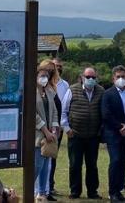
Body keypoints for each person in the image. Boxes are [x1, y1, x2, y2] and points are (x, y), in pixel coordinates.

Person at [61, 66, 105, 200]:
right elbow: (63, 111)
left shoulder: (101, 91)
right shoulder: (72, 90)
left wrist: (101, 131)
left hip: (93, 136)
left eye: (93, 77)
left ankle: (93, 192)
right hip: (76, 135)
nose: (91, 79)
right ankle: (75, 191)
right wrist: (67, 129)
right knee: (75, 164)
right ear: (82, 78)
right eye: (88, 77)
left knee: (92, 165)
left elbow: (104, 113)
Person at [102, 65, 125, 203]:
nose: (121, 79)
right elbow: (106, 114)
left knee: (123, 163)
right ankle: (112, 194)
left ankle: (119, 192)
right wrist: (119, 127)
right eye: (118, 77)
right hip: (113, 134)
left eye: (123, 76)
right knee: (116, 161)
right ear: (113, 78)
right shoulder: (108, 94)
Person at [38, 59, 64, 199]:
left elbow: (54, 110)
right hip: (39, 133)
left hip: (52, 132)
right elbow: (33, 112)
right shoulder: (34, 89)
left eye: (51, 72)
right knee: (38, 165)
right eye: (46, 71)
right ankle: (37, 192)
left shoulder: (50, 89)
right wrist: (46, 131)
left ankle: (44, 193)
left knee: (47, 165)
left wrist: (55, 127)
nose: (48, 74)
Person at [48, 57, 70, 198]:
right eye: (56, 66)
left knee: (53, 157)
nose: (58, 68)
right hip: (46, 126)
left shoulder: (65, 85)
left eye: (60, 66)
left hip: (59, 127)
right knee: (44, 156)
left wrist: (63, 125)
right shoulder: (45, 84)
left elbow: (65, 106)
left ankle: (50, 185)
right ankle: (43, 186)